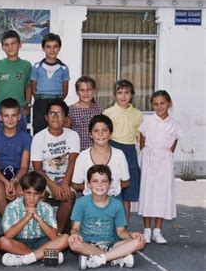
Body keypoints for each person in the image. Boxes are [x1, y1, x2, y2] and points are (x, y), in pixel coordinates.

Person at [69, 165, 145, 270]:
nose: (100, 185)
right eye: (95, 181)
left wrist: (132, 235)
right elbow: (75, 228)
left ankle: (99, 259)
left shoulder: (117, 204)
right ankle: (116, 257)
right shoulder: (81, 203)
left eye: (104, 181)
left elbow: (121, 232)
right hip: (88, 244)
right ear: (88, 184)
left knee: (140, 241)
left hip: (110, 245)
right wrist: (75, 235)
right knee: (74, 244)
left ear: (110, 184)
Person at [138, 90, 182, 244]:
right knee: (148, 193)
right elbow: (142, 140)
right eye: (155, 104)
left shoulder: (174, 124)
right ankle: (147, 230)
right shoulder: (148, 121)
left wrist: (164, 157)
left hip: (164, 162)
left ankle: (158, 231)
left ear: (169, 103)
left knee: (162, 195)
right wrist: (146, 155)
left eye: (162, 103)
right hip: (150, 161)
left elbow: (173, 145)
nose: (159, 107)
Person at [31, 99, 80, 234]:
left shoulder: (73, 135)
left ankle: (57, 233)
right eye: (52, 113)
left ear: (65, 117)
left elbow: (72, 162)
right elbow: (37, 169)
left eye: (60, 113)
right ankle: (39, 233)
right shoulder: (38, 137)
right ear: (46, 117)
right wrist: (53, 186)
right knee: (39, 197)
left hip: (65, 177)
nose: (56, 117)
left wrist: (64, 184)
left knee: (68, 196)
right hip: (44, 178)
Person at [0, 172, 69, 267]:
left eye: (36, 194)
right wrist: (27, 218)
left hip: (42, 242)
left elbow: (54, 237)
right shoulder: (11, 207)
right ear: (21, 191)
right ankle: (43, 256)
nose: (31, 198)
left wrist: (38, 218)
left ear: (42, 193)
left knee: (65, 238)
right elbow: (8, 235)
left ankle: (25, 259)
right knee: (3, 241)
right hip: (20, 242)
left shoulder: (46, 208)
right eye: (28, 193)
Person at [103, 79, 143, 221]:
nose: (123, 96)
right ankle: (108, 223)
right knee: (111, 186)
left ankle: (124, 224)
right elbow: (104, 134)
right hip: (113, 148)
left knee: (127, 190)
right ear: (115, 95)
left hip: (130, 150)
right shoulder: (108, 112)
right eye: (119, 93)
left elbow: (140, 137)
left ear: (132, 95)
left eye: (127, 93)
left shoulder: (138, 114)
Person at [0, 98, 32, 216]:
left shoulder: (26, 137)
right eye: (6, 116)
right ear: (0, 117)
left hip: (19, 175)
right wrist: (6, 182)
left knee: (21, 192)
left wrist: (14, 181)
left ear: (19, 117)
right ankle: (8, 225)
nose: (10, 119)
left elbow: (24, 167)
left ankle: (19, 226)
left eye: (13, 115)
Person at [72, 115, 130, 204]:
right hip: (89, 200)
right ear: (90, 134)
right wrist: (94, 189)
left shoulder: (119, 155)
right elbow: (76, 184)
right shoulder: (83, 156)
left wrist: (109, 188)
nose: (100, 134)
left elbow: (126, 182)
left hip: (113, 199)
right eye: (96, 131)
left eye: (104, 130)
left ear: (110, 134)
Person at [0, 30, 32, 132]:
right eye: (6, 44)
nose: (10, 47)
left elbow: (28, 87)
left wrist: (28, 105)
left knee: (20, 138)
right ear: (2, 47)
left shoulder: (26, 65)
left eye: (13, 43)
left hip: (19, 107)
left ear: (20, 44)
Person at [30, 33, 70, 135]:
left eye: (55, 46)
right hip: (40, 103)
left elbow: (65, 90)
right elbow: (33, 88)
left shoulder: (64, 68)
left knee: (57, 131)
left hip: (56, 102)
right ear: (43, 48)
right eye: (48, 47)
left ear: (59, 48)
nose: (52, 50)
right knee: (39, 131)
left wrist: (57, 102)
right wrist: (40, 99)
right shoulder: (36, 67)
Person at [66, 76, 103, 151]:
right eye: (82, 90)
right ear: (77, 92)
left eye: (88, 89)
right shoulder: (70, 110)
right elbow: (66, 133)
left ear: (93, 91)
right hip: (77, 152)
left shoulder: (100, 111)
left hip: (96, 152)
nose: (85, 93)